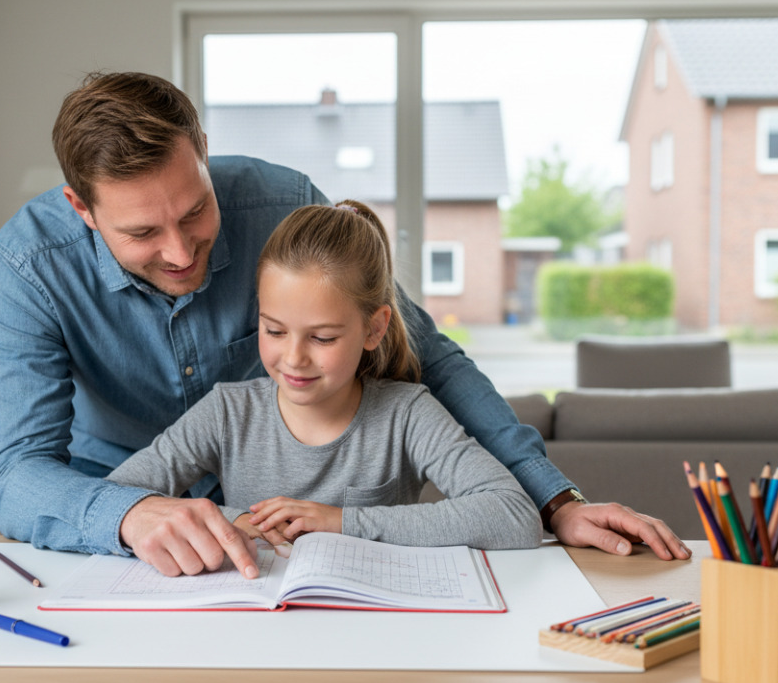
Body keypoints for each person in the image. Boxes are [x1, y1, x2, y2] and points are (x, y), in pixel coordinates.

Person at [0, 71, 687, 581]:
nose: (180, 250)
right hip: (122, 536)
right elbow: (16, 473)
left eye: (195, 211)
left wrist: (554, 499)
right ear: (81, 207)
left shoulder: (284, 206)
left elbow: (431, 360)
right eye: (141, 232)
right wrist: (128, 516)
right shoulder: (29, 264)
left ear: (201, 145)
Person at [106, 201, 544, 568]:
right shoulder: (227, 412)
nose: (294, 357)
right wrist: (229, 520)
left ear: (374, 329)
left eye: (322, 338)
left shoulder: (408, 414)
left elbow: (513, 514)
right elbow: (115, 497)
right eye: (274, 331)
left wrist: (342, 522)